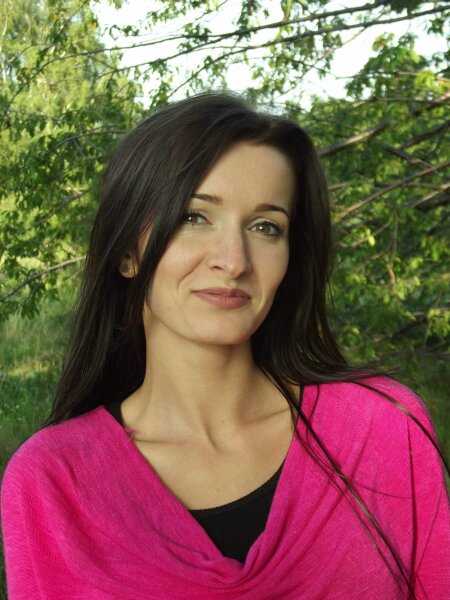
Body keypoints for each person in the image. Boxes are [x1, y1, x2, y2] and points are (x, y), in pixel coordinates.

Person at [1, 91, 448, 600]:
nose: (234, 260)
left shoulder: (382, 429)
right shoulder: (52, 481)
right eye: (194, 217)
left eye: (266, 227)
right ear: (127, 251)